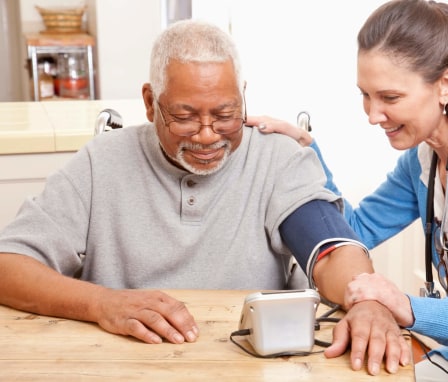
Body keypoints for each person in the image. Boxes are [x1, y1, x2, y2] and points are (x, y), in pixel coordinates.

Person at [0, 19, 407, 376]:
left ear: (243, 96)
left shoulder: (278, 158)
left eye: (226, 114)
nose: (208, 134)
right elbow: (9, 266)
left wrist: (366, 298)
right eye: (185, 116)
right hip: (120, 368)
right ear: (149, 102)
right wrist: (102, 304)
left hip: (247, 370)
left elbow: (332, 249)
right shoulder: (99, 162)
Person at [247, 0, 448, 379]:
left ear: (444, 85)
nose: (372, 115)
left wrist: (406, 306)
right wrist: (307, 153)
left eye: (390, 98)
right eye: (365, 95)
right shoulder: (421, 163)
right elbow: (356, 232)